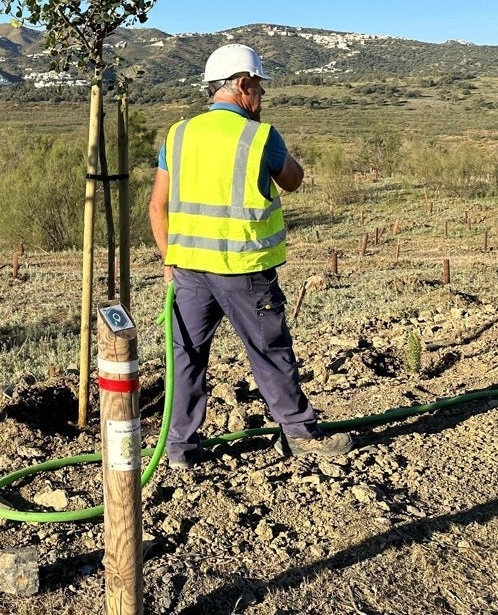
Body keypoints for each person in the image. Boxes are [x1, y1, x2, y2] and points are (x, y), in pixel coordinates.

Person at [148, 43, 352, 469]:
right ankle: (300, 434)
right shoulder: (260, 135)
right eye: (259, 87)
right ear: (242, 85)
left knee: (186, 358)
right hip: (244, 271)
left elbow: (157, 206)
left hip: (187, 271)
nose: (261, 97)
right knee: (270, 352)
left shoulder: (178, 133)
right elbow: (294, 180)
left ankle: (180, 449)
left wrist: (169, 260)